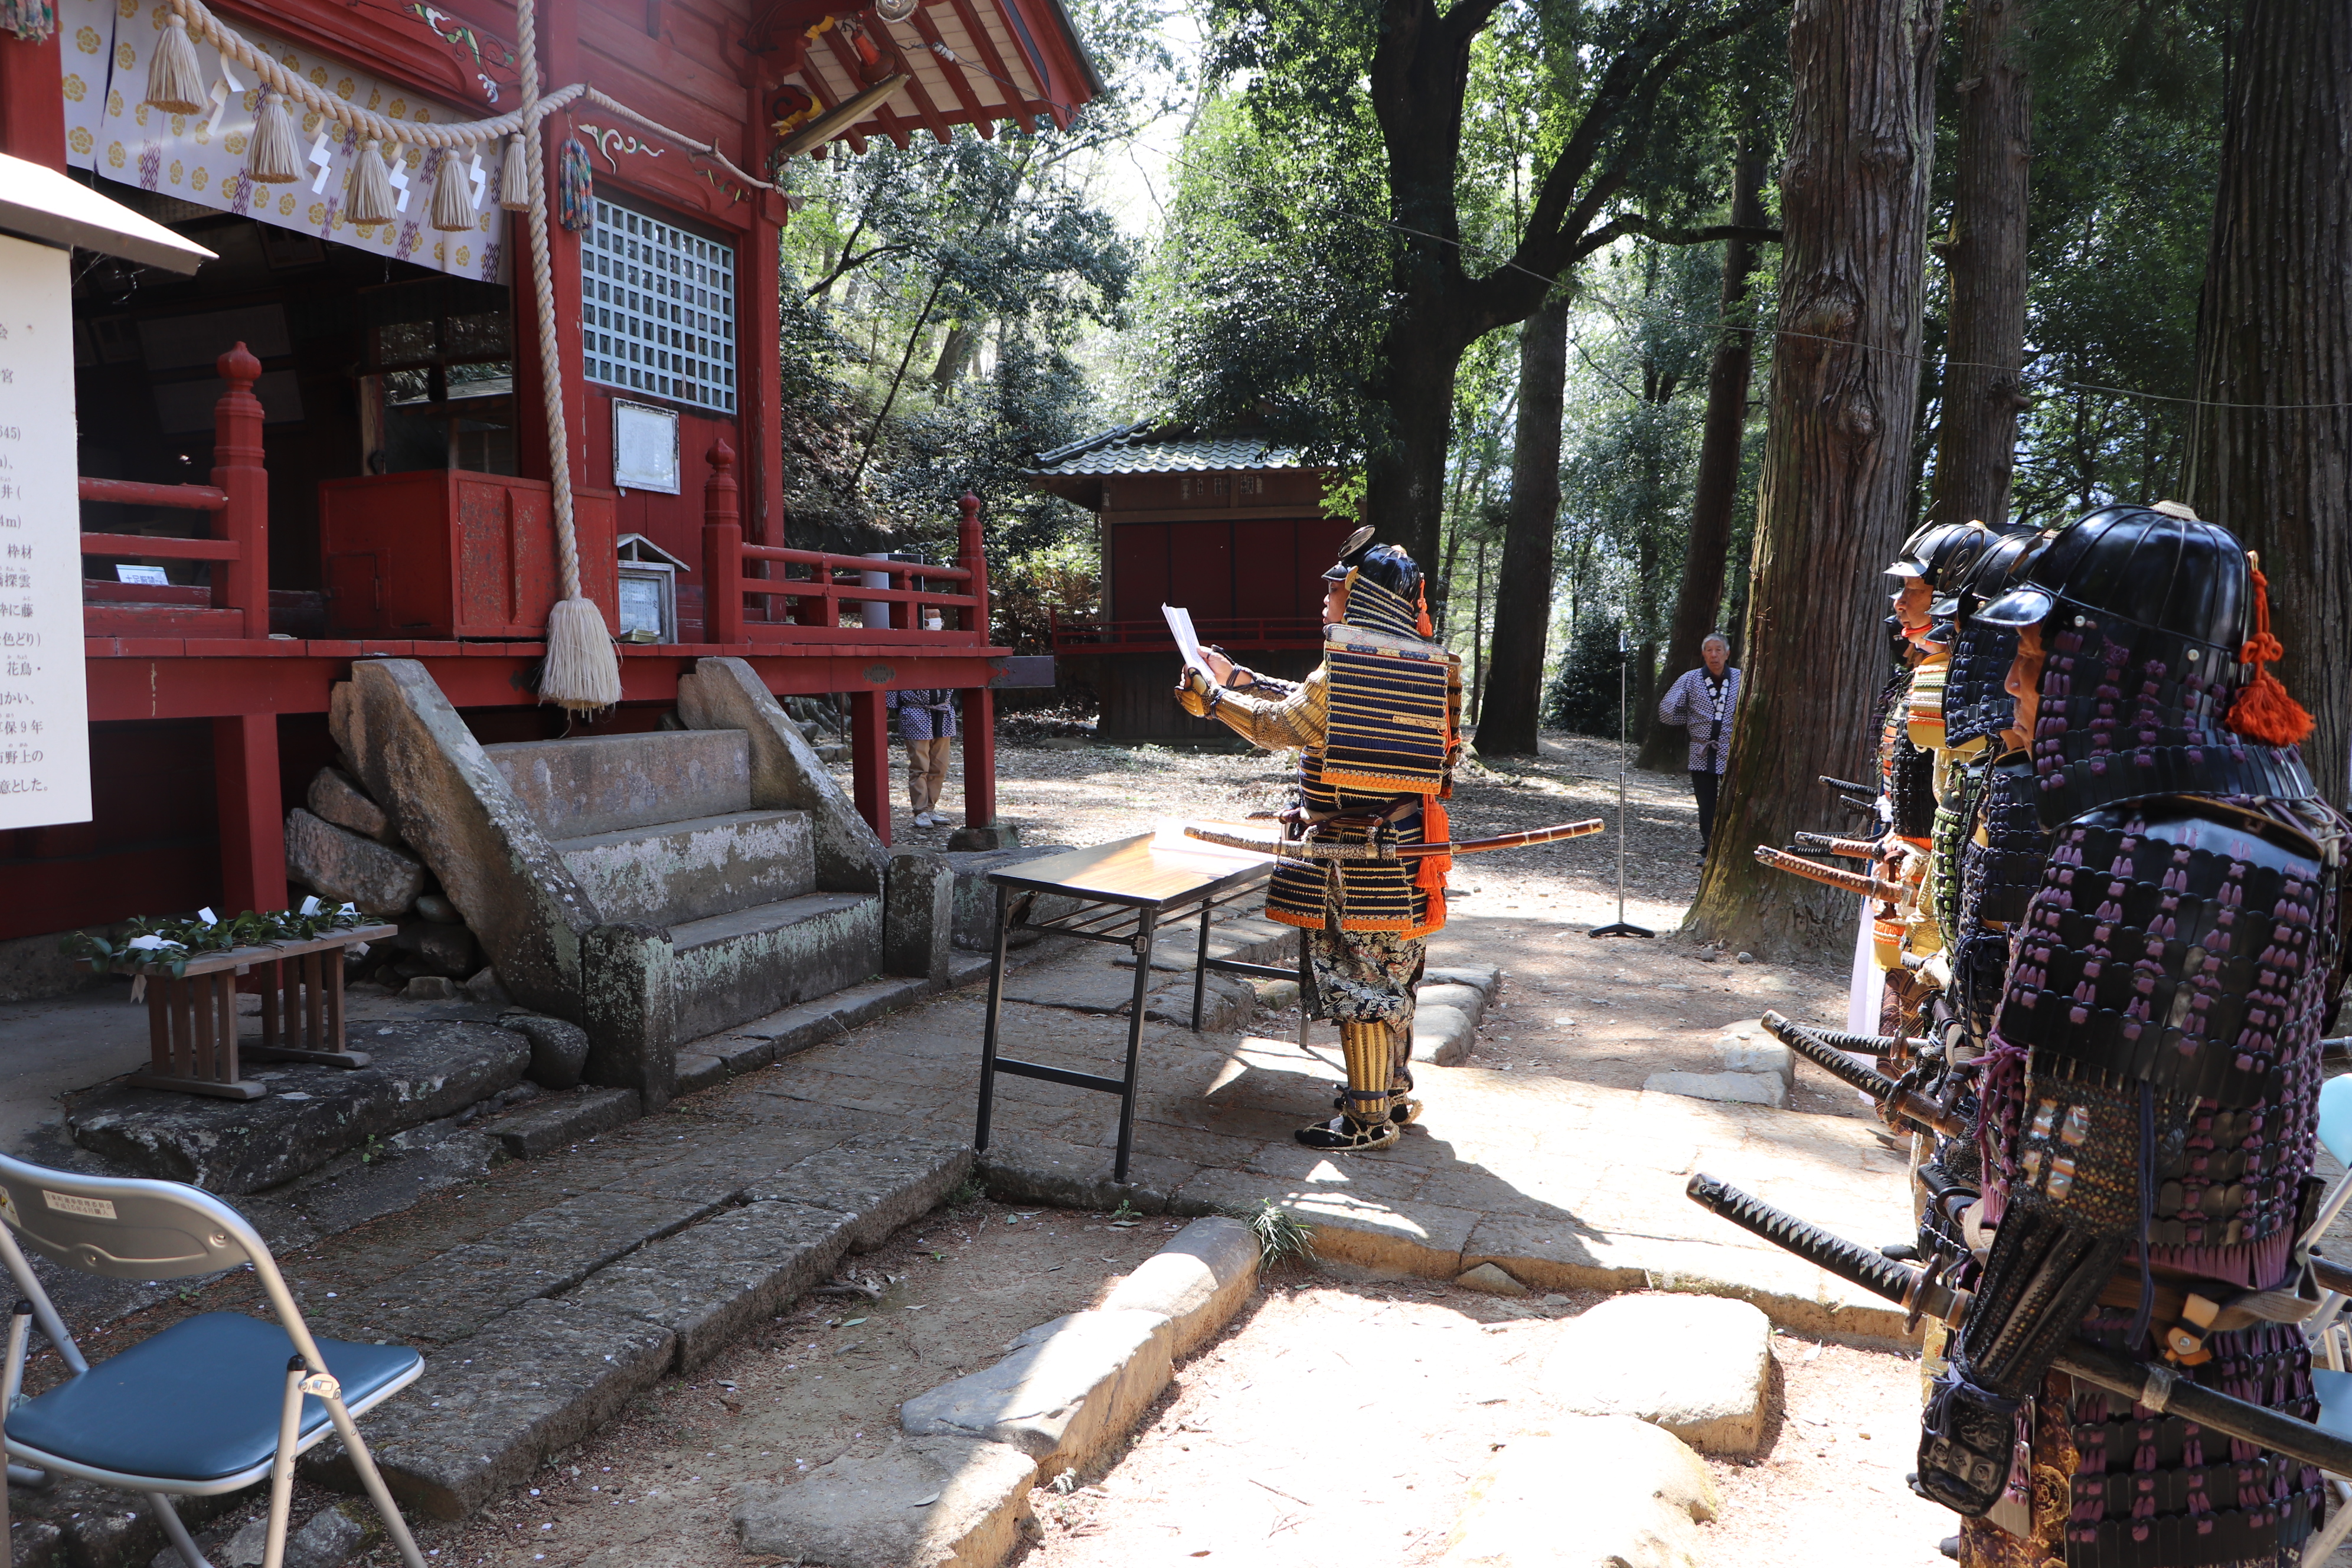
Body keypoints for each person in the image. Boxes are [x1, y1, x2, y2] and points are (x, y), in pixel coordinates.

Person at [1912, 503, 2345, 1568]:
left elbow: (2079, 1190)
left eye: (2034, 653)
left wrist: (1982, 1379)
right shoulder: (2292, 830)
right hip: (2232, 1369)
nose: (2015, 680)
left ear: (2113, 665)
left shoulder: (2139, 853)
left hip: (2105, 1387)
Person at [1174, 526, 1461, 1153]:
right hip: (1400, 844)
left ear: (1365, 601)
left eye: (1338, 589)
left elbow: (1289, 725)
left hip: (1363, 855)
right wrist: (1245, 679)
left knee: (1363, 977)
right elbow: (1315, 713)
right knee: (1395, 976)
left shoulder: (1354, 666)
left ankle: (1366, 1119)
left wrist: (1215, 698)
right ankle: (1392, 1093)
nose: (1326, 599)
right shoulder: (1408, 659)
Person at [1654, 633, 1739, 858]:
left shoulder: (1742, 679)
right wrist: (1692, 717)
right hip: (1701, 751)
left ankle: (1732, 847)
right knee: (1706, 802)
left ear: (1728, 654)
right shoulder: (1690, 679)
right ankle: (1709, 848)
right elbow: (1666, 711)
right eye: (1709, 650)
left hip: (1733, 751)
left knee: (1737, 800)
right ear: (1703, 654)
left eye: (1719, 650)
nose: (1714, 655)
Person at [885, 685, 958, 828]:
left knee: (940, 767)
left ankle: (930, 808)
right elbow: (891, 695)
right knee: (920, 766)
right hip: (915, 714)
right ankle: (921, 811)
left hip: (943, 714)